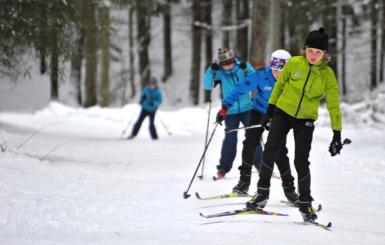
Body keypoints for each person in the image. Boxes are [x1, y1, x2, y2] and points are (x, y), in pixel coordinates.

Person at [246, 28, 343, 222]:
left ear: (325, 55)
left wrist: (337, 133)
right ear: (304, 50)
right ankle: (262, 192)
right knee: (271, 150)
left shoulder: (327, 75)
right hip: (283, 112)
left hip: (305, 119)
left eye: (318, 52)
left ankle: (305, 202)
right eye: (310, 51)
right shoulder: (293, 64)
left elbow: (333, 105)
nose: (313, 55)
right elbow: (279, 87)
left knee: (301, 160)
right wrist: (270, 110)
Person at [216, 50, 298, 206]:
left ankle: (290, 189)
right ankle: (244, 181)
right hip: (259, 111)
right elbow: (239, 89)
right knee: (250, 144)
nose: (277, 74)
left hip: (279, 115)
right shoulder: (261, 75)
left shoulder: (293, 79)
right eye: (275, 70)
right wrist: (225, 107)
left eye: (281, 71)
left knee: (280, 151)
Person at [204, 48, 255, 179]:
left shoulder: (242, 68)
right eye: (224, 64)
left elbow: (255, 80)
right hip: (229, 111)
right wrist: (211, 70)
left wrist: (247, 68)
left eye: (229, 63)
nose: (227, 66)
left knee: (253, 137)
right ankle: (223, 169)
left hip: (247, 108)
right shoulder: (220, 72)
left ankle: (263, 167)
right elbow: (207, 85)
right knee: (230, 140)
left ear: (233, 60)